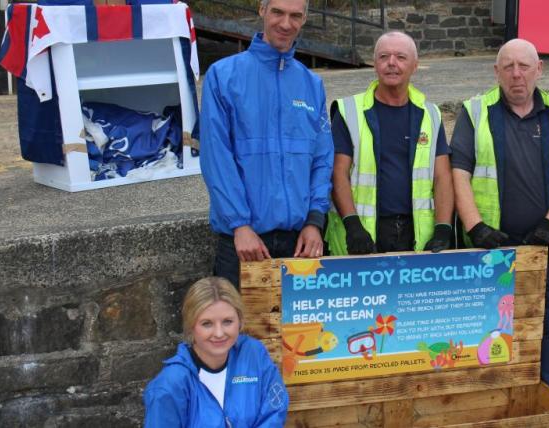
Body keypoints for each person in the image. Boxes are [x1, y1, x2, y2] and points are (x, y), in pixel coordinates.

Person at [450, 38, 549, 391]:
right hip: (491, 252)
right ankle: (496, 401)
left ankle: (547, 398)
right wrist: (475, 226)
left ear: (539, 69)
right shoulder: (475, 111)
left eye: (524, 66)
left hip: (547, 249)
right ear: (496, 72)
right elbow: (458, 173)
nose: (516, 74)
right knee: (487, 332)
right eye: (508, 67)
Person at [200, 0, 334, 287]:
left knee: (302, 333)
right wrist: (240, 224)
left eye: (295, 16)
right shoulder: (223, 76)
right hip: (244, 242)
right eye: (278, 12)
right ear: (262, 10)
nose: (286, 24)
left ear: (305, 19)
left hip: (300, 241)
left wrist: (314, 221)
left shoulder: (312, 84)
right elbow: (217, 159)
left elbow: (322, 159)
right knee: (237, 331)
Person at [325, 31, 454, 255]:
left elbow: (442, 175)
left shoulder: (430, 114)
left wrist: (443, 227)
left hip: (415, 236)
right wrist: (352, 224)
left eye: (400, 57)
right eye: (384, 56)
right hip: (362, 235)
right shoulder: (349, 111)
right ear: (375, 64)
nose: (391, 63)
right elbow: (338, 172)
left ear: (415, 66)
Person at [143, 277, 288, 427]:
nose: (219, 333)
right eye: (207, 324)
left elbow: (274, 412)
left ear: (240, 321)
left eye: (227, 321)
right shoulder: (170, 384)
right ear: (191, 326)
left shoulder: (254, 353)